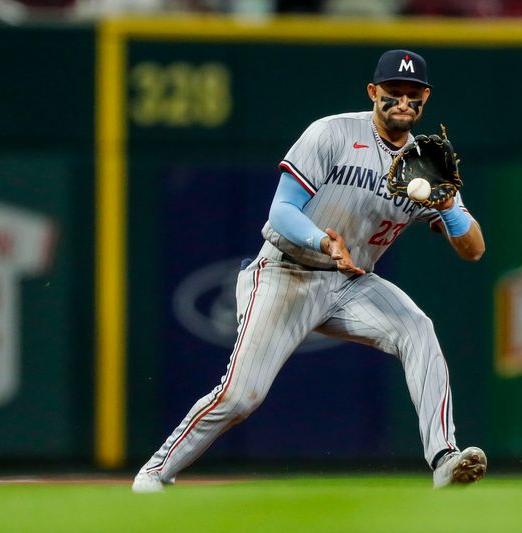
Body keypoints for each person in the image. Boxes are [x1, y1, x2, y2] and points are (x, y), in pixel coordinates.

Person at [132, 49, 487, 493]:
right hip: (287, 270)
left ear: (425, 98)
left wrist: (449, 205)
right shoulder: (333, 133)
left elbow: (473, 250)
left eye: (413, 94)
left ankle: (444, 458)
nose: (403, 101)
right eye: (393, 91)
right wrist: (323, 240)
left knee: (418, 329)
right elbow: (281, 210)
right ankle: (156, 471)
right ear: (373, 92)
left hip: (352, 283)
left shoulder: (428, 162)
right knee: (242, 396)